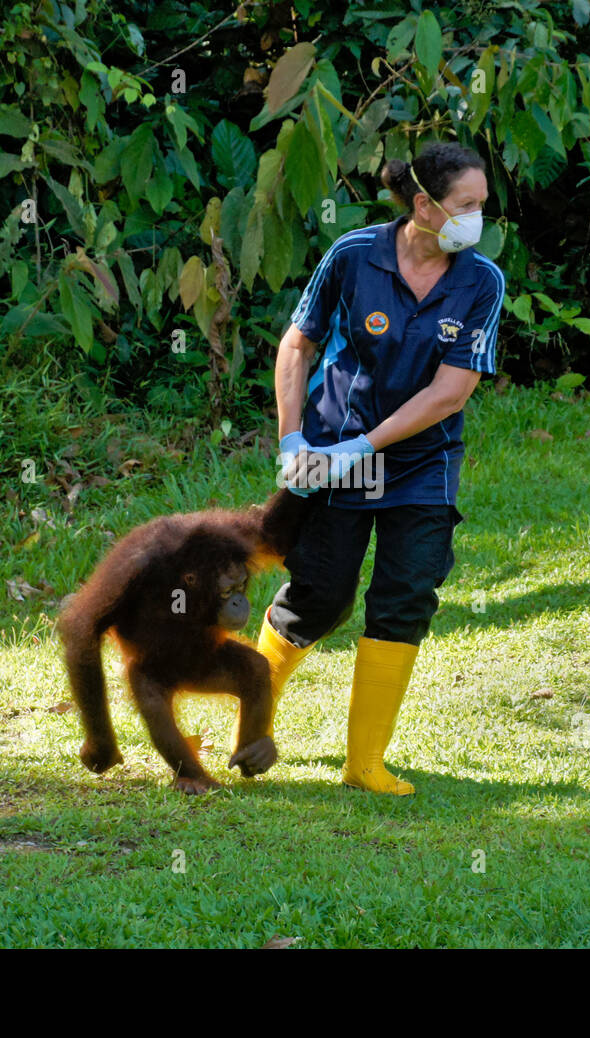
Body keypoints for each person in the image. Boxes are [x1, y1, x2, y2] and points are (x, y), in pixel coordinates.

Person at [240, 141, 505, 795]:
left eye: (483, 205)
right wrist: (292, 441)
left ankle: (364, 764)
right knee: (318, 598)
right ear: (424, 205)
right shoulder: (353, 256)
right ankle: (249, 723)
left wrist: (368, 448)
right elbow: (296, 346)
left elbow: (451, 391)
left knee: (407, 594)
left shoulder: (481, 282)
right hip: (333, 454)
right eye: (467, 205)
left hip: (422, 462)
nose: (479, 219)